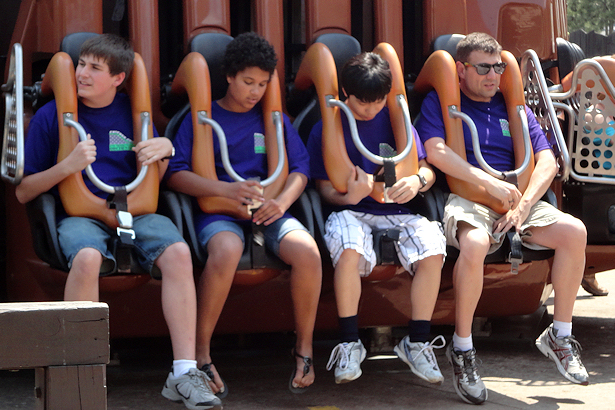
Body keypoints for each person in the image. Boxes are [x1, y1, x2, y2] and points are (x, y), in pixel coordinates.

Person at [15, 34, 220, 410]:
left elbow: (162, 172)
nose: (83, 74)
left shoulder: (134, 113)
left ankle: (184, 372)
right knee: (88, 257)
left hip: (134, 213)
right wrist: (67, 166)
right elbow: (24, 191)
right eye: (81, 65)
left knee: (177, 253)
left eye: (95, 68)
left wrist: (165, 149)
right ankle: (78, 375)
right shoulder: (53, 115)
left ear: (118, 79)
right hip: (80, 216)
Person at [416, 32, 589, 405]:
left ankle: (558, 335)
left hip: (518, 202)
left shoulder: (515, 108)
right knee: (476, 243)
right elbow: (435, 151)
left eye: (497, 67)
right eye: (483, 68)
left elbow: (547, 160)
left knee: (574, 231)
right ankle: (462, 347)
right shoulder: (441, 102)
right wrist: (489, 185)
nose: (493, 76)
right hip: (470, 198)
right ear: (461, 70)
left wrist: (524, 204)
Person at [166, 32, 322, 395]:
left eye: (263, 84)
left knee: (308, 252)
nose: (255, 91)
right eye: (248, 82)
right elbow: (176, 175)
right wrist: (224, 190)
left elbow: (300, 169)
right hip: (220, 212)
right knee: (227, 250)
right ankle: (201, 353)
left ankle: (304, 349)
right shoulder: (201, 117)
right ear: (230, 77)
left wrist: (281, 202)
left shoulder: (274, 119)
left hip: (269, 211)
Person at [307, 52, 447, 385]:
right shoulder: (326, 128)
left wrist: (418, 181)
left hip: (398, 210)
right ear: (345, 94)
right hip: (351, 209)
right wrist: (349, 195)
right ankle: (349, 340)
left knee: (432, 248)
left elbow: (425, 168)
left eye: (378, 102)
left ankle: (417, 340)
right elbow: (323, 188)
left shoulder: (398, 122)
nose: (370, 110)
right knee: (350, 246)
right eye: (362, 103)